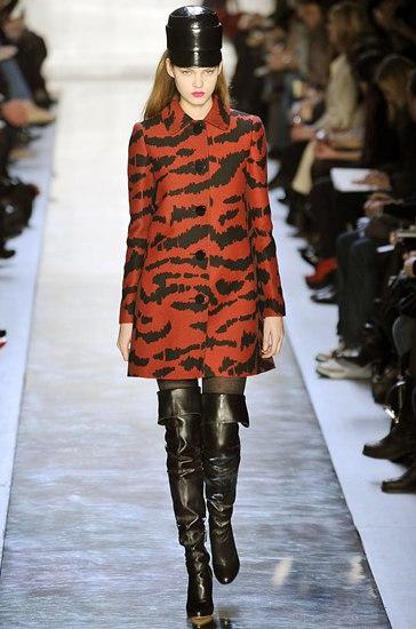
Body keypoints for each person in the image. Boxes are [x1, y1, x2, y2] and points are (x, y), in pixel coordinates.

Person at [116, 5, 286, 626]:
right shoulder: (148, 138)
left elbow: (262, 222)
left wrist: (273, 306)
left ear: (220, 70)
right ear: (169, 67)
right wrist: (128, 313)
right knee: (181, 438)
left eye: (207, 70)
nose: (197, 81)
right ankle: (196, 569)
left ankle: (221, 521)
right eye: (187, 70)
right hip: (165, 301)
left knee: (222, 430)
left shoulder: (247, 133)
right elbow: (139, 229)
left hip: (236, 296)